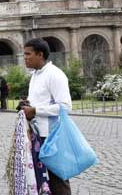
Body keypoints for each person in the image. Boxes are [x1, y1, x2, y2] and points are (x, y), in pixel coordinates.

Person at [18, 38, 72, 194]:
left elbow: (65, 106)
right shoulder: (35, 74)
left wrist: (35, 110)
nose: (25, 58)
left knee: (58, 180)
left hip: (52, 136)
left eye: (28, 54)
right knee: (40, 179)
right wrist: (27, 105)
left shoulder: (55, 74)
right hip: (37, 134)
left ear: (40, 54)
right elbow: (41, 101)